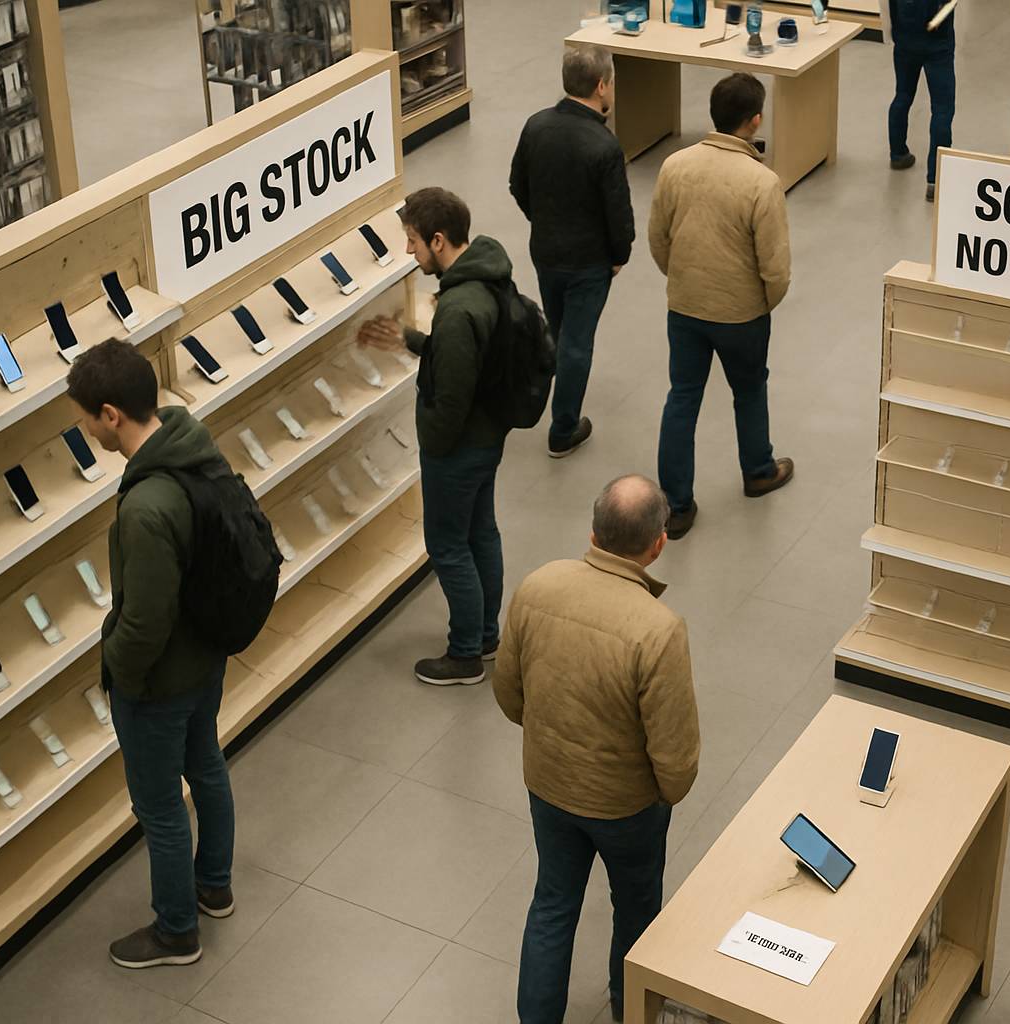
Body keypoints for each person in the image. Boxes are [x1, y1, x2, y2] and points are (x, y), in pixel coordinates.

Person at [493, 474, 701, 1024]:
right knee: (635, 912)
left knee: (552, 906)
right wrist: (658, 796)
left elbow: (509, 695)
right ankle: (628, 1009)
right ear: (658, 543)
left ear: (593, 531)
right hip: (626, 808)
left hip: (548, 786)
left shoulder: (537, 586)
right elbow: (675, 761)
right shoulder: (658, 630)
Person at [66, 341, 235, 969]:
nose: (84, 429)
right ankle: (214, 885)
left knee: (161, 807)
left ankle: (176, 931)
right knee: (208, 765)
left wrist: (120, 676)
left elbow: (144, 621)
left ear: (111, 415)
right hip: (208, 655)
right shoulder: (194, 446)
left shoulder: (145, 506)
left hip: (161, 681)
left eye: (85, 417)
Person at [359, 187, 512, 686]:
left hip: (459, 448)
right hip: (489, 436)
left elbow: (451, 396)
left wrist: (435, 447)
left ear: (438, 240)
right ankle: (487, 635)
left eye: (413, 242)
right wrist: (412, 341)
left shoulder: (457, 307)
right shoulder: (486, 275)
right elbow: (461, 354)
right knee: (481, 531)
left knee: (447, 545)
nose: (409, 252)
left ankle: (465, 654)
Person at [648, 72, 794, 540]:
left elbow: (658, 238)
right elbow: (775, 268)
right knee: (749, 390)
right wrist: (760, 304)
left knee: (682, 398)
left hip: (685, 307)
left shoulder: (675, 165)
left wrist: (682, 280)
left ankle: (676, 505)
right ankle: (757, 471)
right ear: (755, 121)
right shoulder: (762, 183)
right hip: (742, 315)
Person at [509, 43, 634, 459]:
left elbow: (518, 186)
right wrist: (619, 254)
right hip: (588, 261)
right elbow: (617, 212)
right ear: (602, 86)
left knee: (561, 330)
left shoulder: (535, 126)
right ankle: (563, 428)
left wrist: (542, 221)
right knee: (577, 342)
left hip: (545, 251)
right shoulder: (604, 146)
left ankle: (549, 385)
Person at [886, 0, 956, 203]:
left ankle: (898, 154)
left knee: (902, 95)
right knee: (942, 110)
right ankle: (935, 179)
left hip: (905, 40)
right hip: (938, 44)